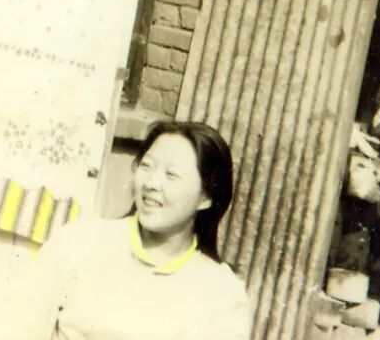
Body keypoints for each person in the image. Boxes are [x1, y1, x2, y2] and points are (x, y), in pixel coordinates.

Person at [35, 121, 251, 340]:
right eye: (146, 166)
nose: (151, 183)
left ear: (206, 198)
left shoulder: (222, 292)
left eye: (171, 174)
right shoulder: (80, 242)